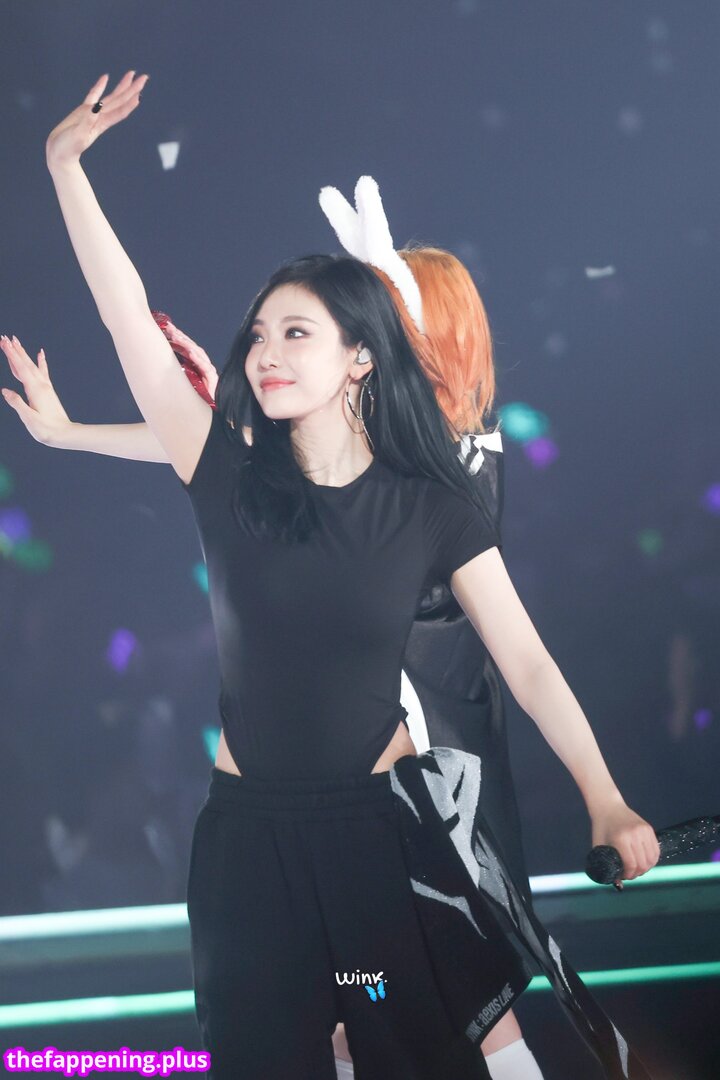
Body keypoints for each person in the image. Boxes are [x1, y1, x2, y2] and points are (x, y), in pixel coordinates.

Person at [5, 71, 661, 1079]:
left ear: (360, 358)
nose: (265, 351)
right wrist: (65, 168)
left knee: (388, 1034)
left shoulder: (430, 503)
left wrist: (606, 799)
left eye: (296, 332)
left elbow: (528, 664)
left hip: (375, 853)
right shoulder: (225, 474)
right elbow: (124, 314)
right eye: (259, 334)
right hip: (247, 856)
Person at [1, 247, 536, 1080]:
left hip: (406, 771)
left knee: (452, 1006)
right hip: (326, 779)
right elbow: (221, 448)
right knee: (365, 1011)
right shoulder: (339, 447)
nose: (278, 349)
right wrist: (83, 431)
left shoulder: (436, 470)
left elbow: (239, 445)